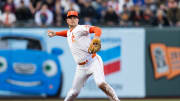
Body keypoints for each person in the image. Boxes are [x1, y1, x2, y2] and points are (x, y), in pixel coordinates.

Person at [47, 10, 120, 101]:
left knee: (100, 83)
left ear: (78, 20)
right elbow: (67, 33)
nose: (73, 19)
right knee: (73, 93)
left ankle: (116, 100)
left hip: (93, 62)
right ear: (67, 20)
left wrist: (96, 37)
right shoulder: (70, 32)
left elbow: (97, 29)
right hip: (81, 67)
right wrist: (56, 33)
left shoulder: (81, 28)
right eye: (70, 18)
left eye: (75, 18)